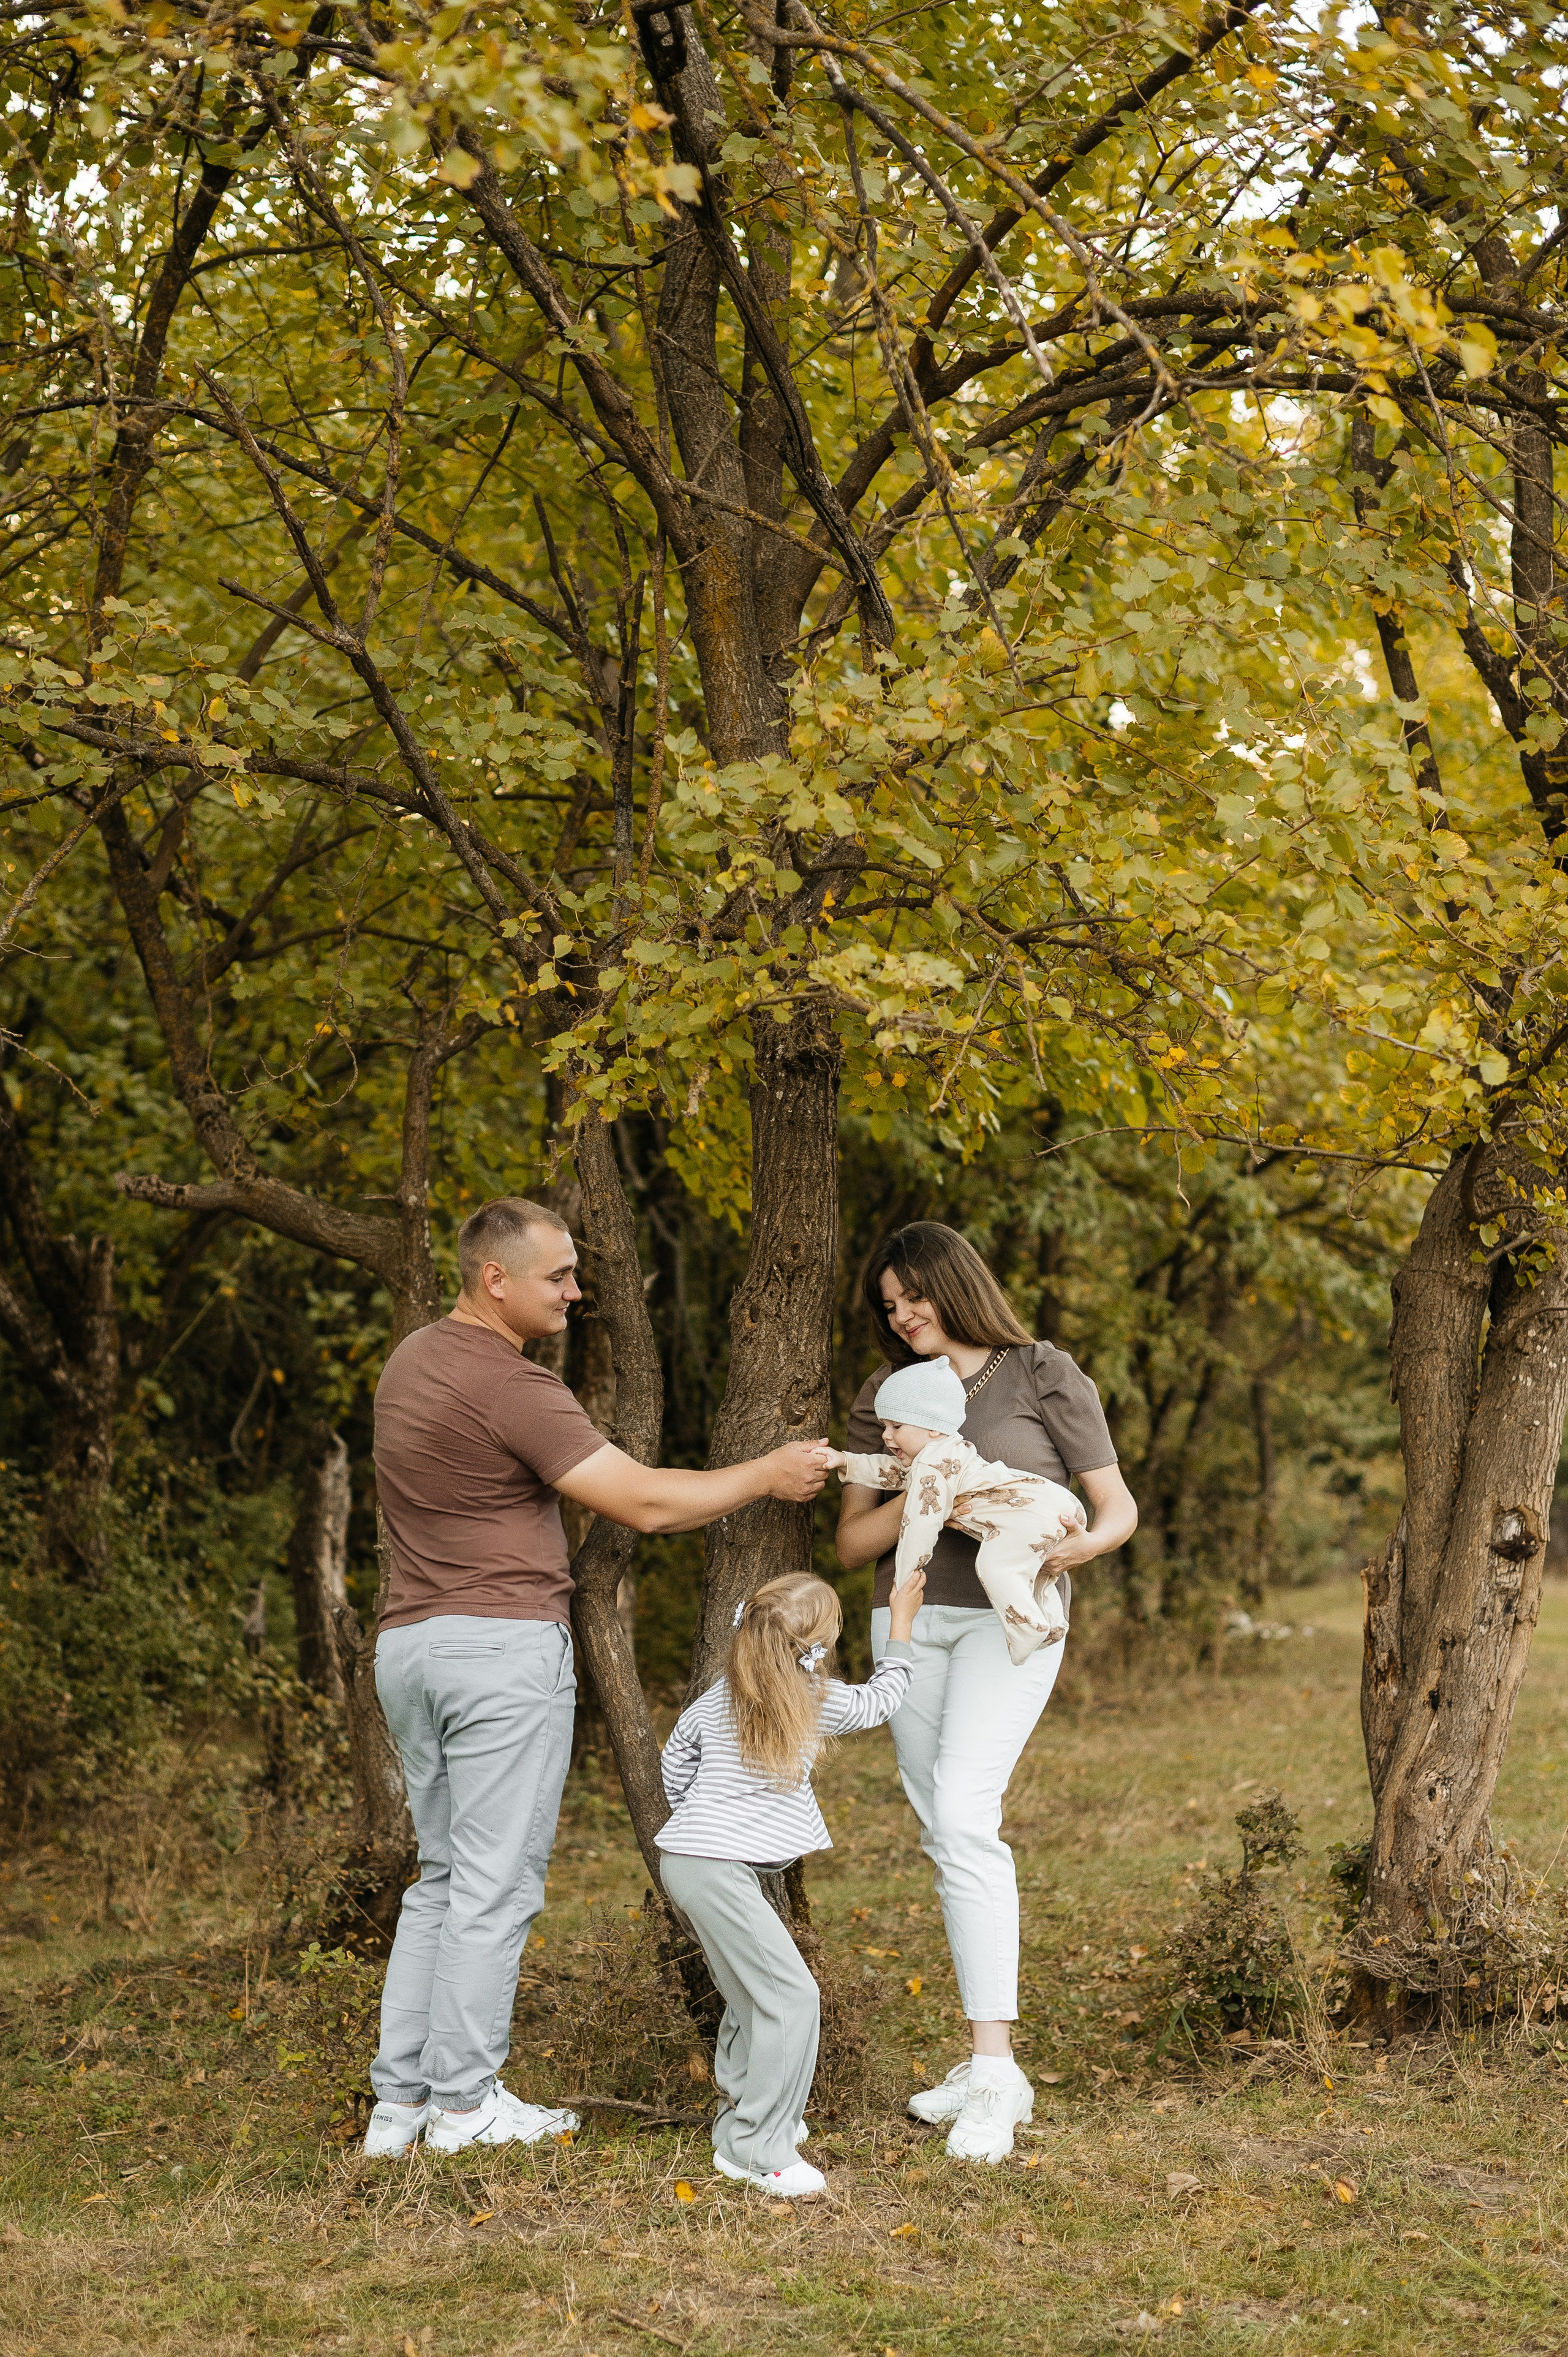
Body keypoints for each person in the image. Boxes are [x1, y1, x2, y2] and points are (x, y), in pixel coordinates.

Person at [362, 1196, 829, 2160]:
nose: (578, 1291)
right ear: (497, 1280)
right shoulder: (510, 1384)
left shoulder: (410, 1361)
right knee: (493, 1887)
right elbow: (646, 1502)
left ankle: (399, 2107)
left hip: (411, 1648)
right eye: (559, 1276)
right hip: (496, 1654)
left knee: (442, 1882)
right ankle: (463, 2108)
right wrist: (767, 1474)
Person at [836, 1221, 1137, 2165]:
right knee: (943, 1827)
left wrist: (1082, 1546)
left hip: (1013, 1621)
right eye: (888, 1306)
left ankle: (997, 2073)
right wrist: (925, 1478)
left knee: (965, 1817)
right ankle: (983, 2057)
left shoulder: (1041, 1372)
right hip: (914, 1623)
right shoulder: (886, 1396)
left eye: (912, 1296)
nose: (902, 1315)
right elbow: (852, 1546)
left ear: (953, 1284)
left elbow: (1114, 1503)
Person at [657, 1569, 924, 2198]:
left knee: (754, 1999)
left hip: (694, 1863)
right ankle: (762, 2149)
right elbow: (881, 1701)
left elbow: (674, 1761)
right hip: (713, 1866)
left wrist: (696, 1820)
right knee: (792, 1997)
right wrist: (902, 1626)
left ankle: (742, 2123)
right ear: (816, 1644)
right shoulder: (815, 1696)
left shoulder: (721, 1695)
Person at [816, 1354, 1086, 1665]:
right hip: (1048, 1506)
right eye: (884, 1426)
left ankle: (1026, 1629)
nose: (886, 1436)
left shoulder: (935, 1468)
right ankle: (1050, 1619)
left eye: (896, 1426)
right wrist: (845, 1461)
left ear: (932, 1426)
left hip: (1030, 1511)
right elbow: (891, 1472)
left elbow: (920, 1525)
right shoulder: (946, 1455)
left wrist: (905, 1581)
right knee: (1029, 1569)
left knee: (996, 1567)